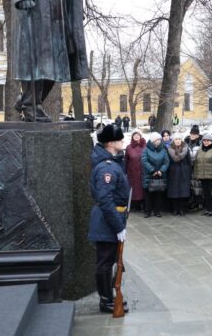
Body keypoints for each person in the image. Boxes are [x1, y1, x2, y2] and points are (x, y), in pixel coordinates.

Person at [88, 124, 129, 314]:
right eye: (120, 140)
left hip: (111, 219)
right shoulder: (107, 168)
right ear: (111, 143)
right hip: (107, 221)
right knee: (104, 262)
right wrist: (118, 226)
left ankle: (109, 297)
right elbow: (105, 199)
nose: (123, 142)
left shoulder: (112, 163)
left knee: (110, 260)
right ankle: (106, 300)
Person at [141, 133, 169, 218]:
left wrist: (161, 170)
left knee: (159, 194)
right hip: (149, 175)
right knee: (148, 194)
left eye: (159, 140)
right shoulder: (146, 149)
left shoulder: (163, 150)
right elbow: (144, 161)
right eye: (157, 140)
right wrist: (152, 170)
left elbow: (166, 162)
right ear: (152, 141)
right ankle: (148, 211)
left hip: (160, 175)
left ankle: (157, 211)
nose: (158, 141)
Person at [194, 134, 212, 216]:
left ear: (211, 141)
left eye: (208, 140)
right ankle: (206, 208)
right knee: (205, 193)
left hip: (211, 176)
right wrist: (196, 174)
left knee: (211, 194)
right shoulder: (200, 150)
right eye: (204, 140)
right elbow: (196, 163)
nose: (206, 142)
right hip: (202, 176)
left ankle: (211, 209)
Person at [167, 134, 192, 216]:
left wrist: (188, 170)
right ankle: (175, 209)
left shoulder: (186, 149)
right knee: (174, 192)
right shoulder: (169, 149)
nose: (177, 140)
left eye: (179, 139)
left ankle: (182, 209)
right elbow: (167, 161)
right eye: (176, 139)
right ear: (173, 140)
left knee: (183, 192)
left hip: (183, 172)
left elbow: (189, 161)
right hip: (173, 173)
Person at [124, 130, 146, 212]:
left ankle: (142, 205)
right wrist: (125, 171)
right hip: (132, 172)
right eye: (134, 135)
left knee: (142, 189)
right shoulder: (129, 147)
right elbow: (126, 159)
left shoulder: (145, 146)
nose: (136, 136)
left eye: (138, 135)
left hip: (142, 171)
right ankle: (133, 205)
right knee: (133, 189)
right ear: (132, 137)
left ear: (141, 136)